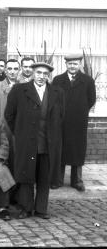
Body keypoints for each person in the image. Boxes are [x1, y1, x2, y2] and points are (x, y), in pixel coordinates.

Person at [4, 62, 64, 219]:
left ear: (49, 76)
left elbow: (61, 116)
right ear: (32, 73)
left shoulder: (57, 92)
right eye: (38, 73)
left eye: (45, 74)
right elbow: (9, 115)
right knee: (26, 175)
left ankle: (41, 209)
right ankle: (25, 208)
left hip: (48, 142)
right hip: (27, 142)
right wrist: (20, 133)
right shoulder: (19, 90)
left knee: (44, 176)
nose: (41, 77)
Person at [52, 54, 96, 191]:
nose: (72, 66)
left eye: (75, 64)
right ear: (66, 64)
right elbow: (53, 99)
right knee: (60, 149)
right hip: (61, 121)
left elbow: (91, 100)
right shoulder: (58, 80)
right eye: (70, 63)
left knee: (77, 150)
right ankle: (57, 180)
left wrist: (80, 111)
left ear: (80, 65)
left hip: (78, 122)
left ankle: (76, 181)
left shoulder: (88, 81)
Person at [0, 58, 20, 203]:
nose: (12, 71)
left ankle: (16, 197)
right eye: (10, 69)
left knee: (18, 163)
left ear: (18, 70)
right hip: (3, 131)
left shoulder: (25, 86)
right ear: (5, 70)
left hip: (20, 132)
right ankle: (2, 199)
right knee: (2, 163)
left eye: (15, 69)